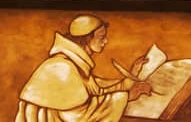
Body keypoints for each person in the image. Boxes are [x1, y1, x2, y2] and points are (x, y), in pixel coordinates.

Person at [15, 16, 150, 122]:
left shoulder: (75, 66)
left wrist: (134, 73)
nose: (106, 41)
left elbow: (102, 88)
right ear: (86, 39)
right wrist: (124, 97)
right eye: (101, 37)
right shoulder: (61, 68)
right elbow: (77, 117)